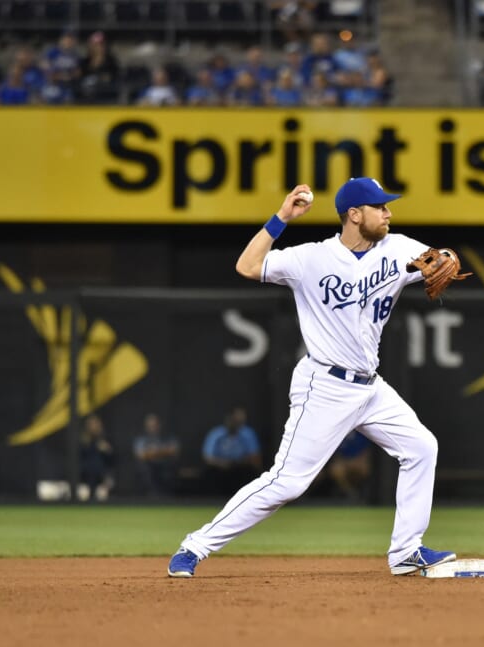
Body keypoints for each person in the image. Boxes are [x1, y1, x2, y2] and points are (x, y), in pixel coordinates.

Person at [167, 177, 456, 577]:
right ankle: (194, 546)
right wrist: (282, 217)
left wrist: (444, 255)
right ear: (354, 215)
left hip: (371, 388)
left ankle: (406, 551)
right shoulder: (310, 259)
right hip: (325, 384)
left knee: (422, 447)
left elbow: (437, 256)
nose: (388, 212)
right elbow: (247, 266)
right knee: (287, 483)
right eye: (380, 207)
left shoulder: (398, 248)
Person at [201, 407, 262, 495]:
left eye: (235, 421)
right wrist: (223, 464)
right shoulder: (216, 433)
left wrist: (239, 462)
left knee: (249, 472)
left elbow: (255, 456)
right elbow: (208, 457)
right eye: (231, 420)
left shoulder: (247, 433)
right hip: (220, 468)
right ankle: (212, 501)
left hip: (240, 468)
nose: (232, 423)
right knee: (210, 473)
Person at [132, 413, 181, 497]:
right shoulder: (142, 439)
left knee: (170, 466)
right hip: (149, 466)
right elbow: (140, 455)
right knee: (145, 467)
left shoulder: (168, 437)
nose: (153, 428)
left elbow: (174, 450)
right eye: (150, 426)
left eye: (155, 425)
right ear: (146, 426)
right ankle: (153, 496)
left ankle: (167, 496)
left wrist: (154, 452)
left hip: (165, 465)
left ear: (159, 425)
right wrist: (161, 452)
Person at [325, 430, 374, 502]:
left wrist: (355, 461)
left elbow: (365, 452)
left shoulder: (361, 432)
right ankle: (349, 493)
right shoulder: (338, 432)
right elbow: (336, 454)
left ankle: (361, 494)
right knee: (336, 470)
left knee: (363, 468)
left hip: (357, 460)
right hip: (344, 461)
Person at [78, 414, 115, 501]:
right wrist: (95, 446)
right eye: (91, 424)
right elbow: (81, 454)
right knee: (92, 467)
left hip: (103, 469)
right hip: (87, 469)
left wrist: (107, 449)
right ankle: (91, 496)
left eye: (95, 424)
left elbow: (112, 457)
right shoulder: (84, 439)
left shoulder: (104, 438)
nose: (94, 427)